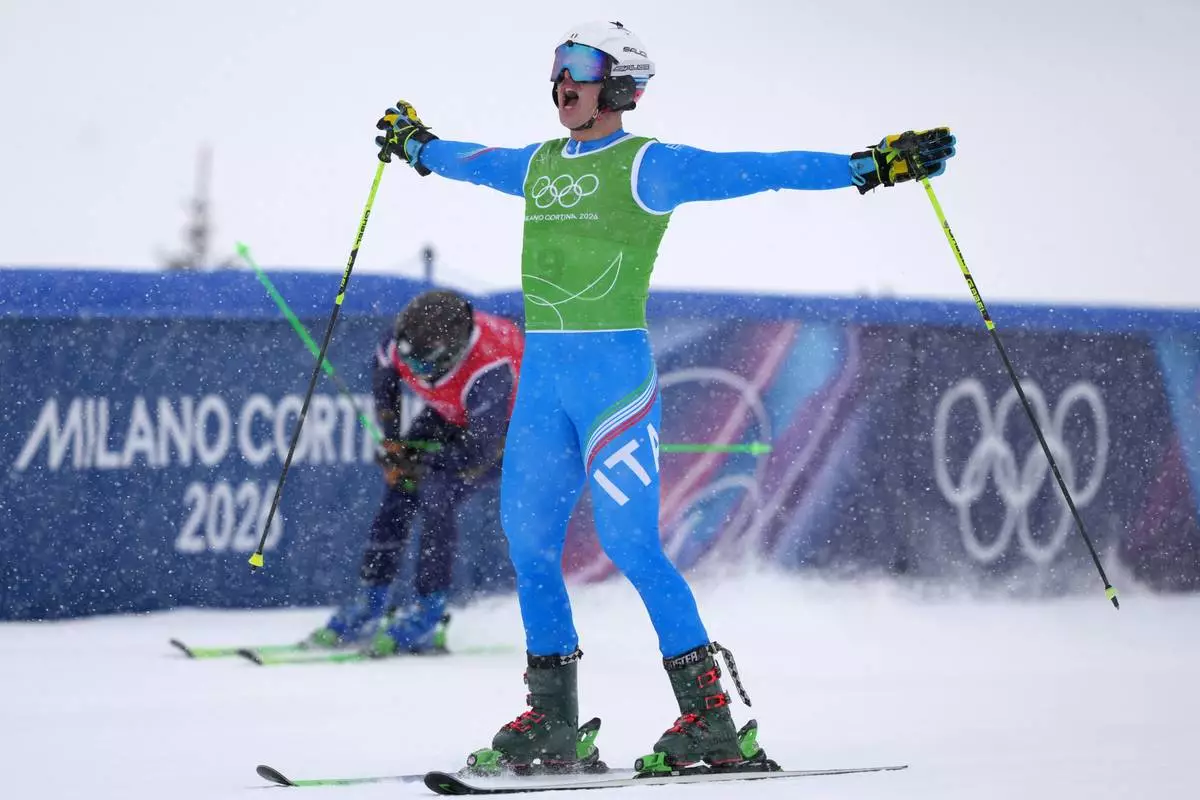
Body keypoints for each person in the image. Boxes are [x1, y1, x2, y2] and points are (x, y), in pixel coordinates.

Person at [374, 20, 956, 770]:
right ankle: (553, 722)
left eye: (580, 66)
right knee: (531, 548)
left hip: (614, 389)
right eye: (557, 66)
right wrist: (418, 145)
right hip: (546, 391)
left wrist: (870, 166)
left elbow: (765, 168)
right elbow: (471, 160)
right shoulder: (541, 164)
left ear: (618, 83)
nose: (563, 80)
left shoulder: (650, 166)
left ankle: (709, 723)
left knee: (631, 545)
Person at [308, 289, 523, 656]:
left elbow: (478, 451)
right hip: (454, 412)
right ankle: (371, 602)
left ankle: (429, 614)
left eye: (427, 366)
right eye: (413, 365)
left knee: (439, 493)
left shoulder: (491, 368)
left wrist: (425, 462)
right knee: (400, 486)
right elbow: (384, 380)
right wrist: (393, 442)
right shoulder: (402, 342)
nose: (419, 375)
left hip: (513, 433)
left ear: (452, 350)